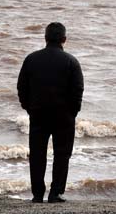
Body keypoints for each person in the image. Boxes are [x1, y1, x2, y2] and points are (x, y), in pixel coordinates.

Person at [17, 22, 84, 204]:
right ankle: (55, 193)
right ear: (64, 39)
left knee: (37, 154)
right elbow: (78, 90)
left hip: (38, 114)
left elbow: (21, 87)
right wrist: (72, 112)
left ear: (45, 38)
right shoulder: (71, 61)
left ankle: (37, 194)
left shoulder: (31, 59)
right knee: (62, 154)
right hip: (64, 116)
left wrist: (29, 108)